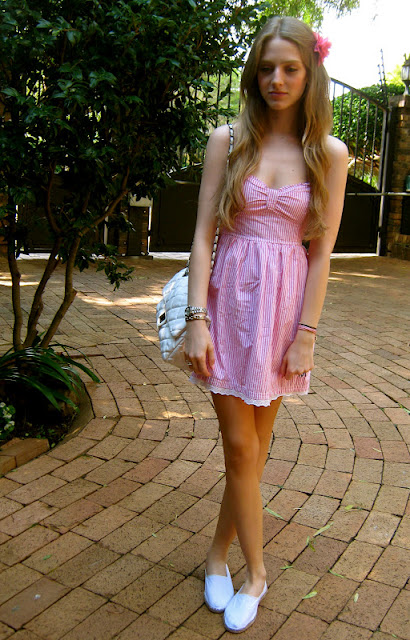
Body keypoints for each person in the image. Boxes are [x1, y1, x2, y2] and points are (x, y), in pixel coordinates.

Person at [184, 15, 348, 634]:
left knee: (252, 452)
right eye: (266, 68)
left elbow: (321, 254)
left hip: (282, 314)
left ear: (311, 74)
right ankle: (256, 573)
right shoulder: (228, 140)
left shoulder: (328, 154)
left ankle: (216, 555)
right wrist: (196, 320)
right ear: (254, 75)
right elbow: (203, 237)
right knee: (239, 445)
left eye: (290, 69)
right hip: (227, 305)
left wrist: (307, 335)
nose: (276, 79)